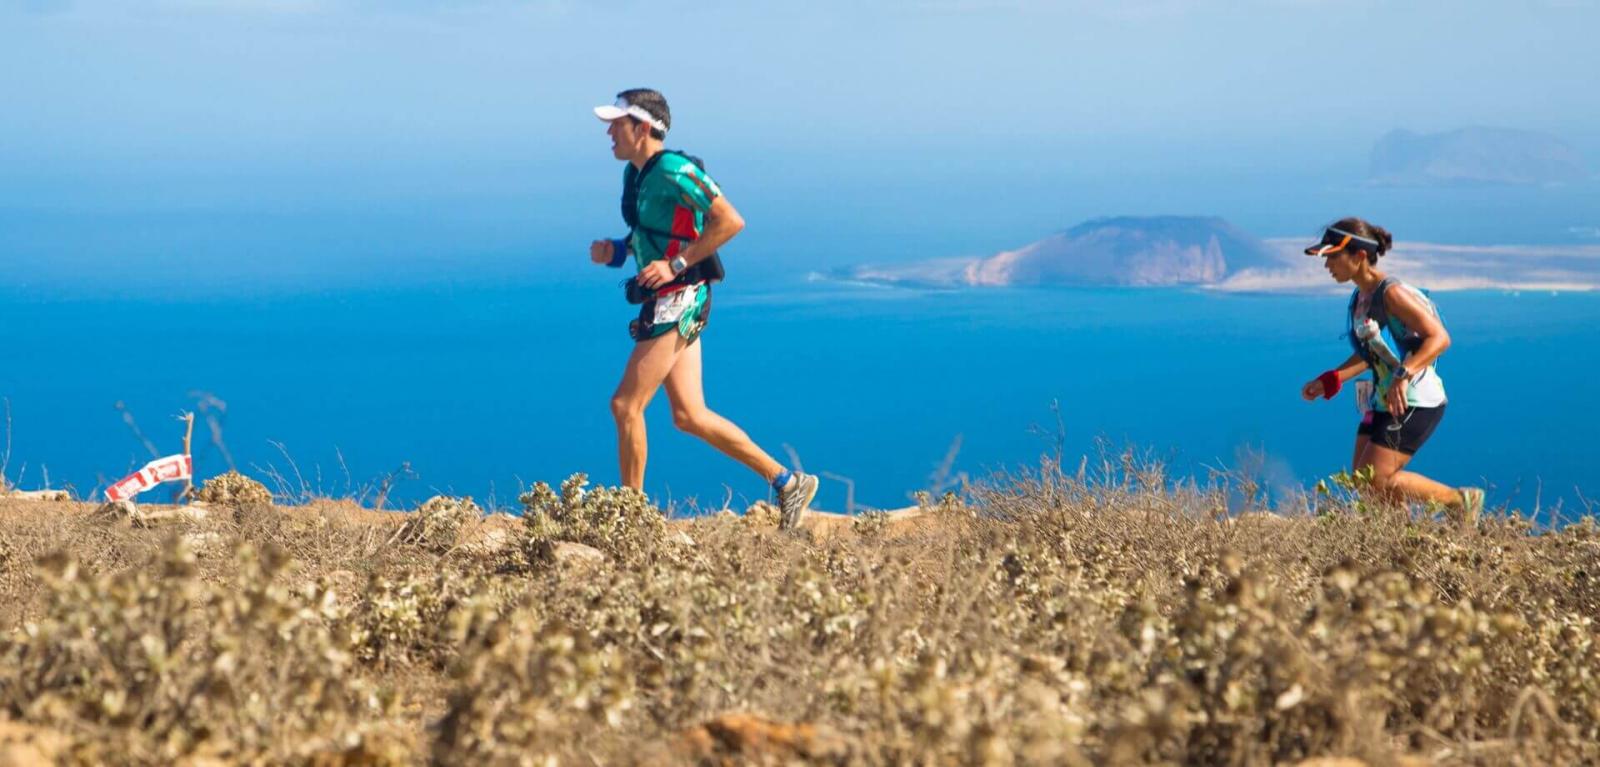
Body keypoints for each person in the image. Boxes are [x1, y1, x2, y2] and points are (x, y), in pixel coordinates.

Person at [588, 88, 817, 529]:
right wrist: (613, 253)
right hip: (669, 295)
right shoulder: (634, 177)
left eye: (617, 123)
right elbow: (649, 239)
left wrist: (676, 264)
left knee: (625, 406)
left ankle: (630, 521)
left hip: (682, 297)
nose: (609, 132)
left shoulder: (676, 170)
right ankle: (789, 483)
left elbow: (730, 221)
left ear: (643, 127)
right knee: (689, 415)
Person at [1299, 217, 1484, 525]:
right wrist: (1332, 379)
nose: (1327, 264)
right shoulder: (1360, 297)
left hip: (1415, 400)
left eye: (1333, 257)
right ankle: (1400, 537)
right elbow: (1375, 353)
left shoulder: (1392, 293)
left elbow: (1439, 338)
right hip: (1385, 400)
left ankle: (1461, 501)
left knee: (1377, 478)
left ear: (1359, 256)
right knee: (1364, 481)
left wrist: (1403, 375)